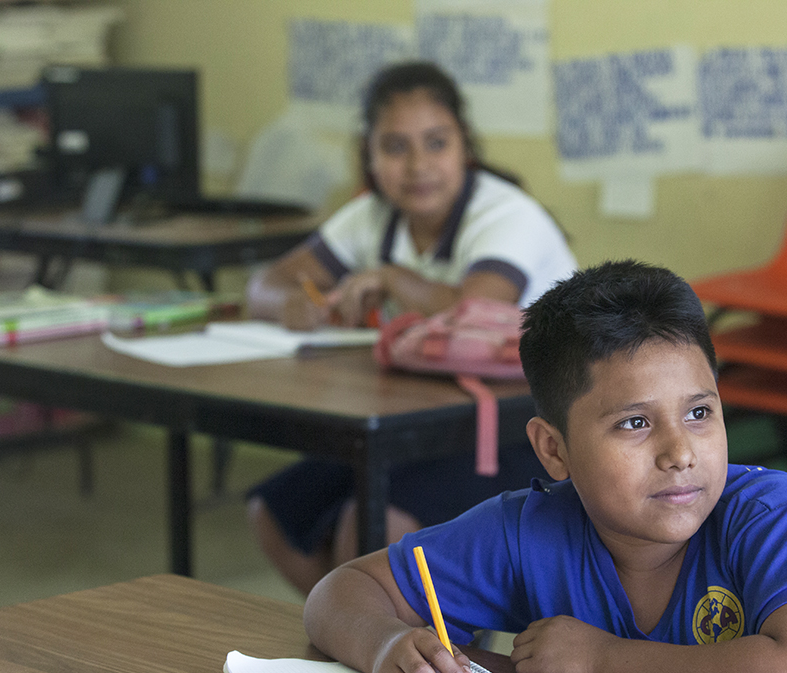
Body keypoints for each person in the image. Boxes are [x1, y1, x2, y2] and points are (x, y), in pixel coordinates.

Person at [302, 260, 787, 673]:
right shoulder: (528, 531)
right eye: (636, 423)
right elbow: (341, 592)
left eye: (700, 413)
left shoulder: (777, 516)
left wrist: (601, 661)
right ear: (553, 450)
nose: (679, 452)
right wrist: (385, 644)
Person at [244, 61, 578, 595]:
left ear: (464, 146)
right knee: (276, 515)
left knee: (372, 526)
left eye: (436, 143)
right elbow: (265, 284)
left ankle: (408, 646)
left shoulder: (507, 214)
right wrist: (296, 306)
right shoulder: (371, 216)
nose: (418, 165)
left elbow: (472, 308)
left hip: (525, 432)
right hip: (418, 426)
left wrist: (393, 278)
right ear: (369, 157)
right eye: (395, 147)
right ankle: (357, 641)